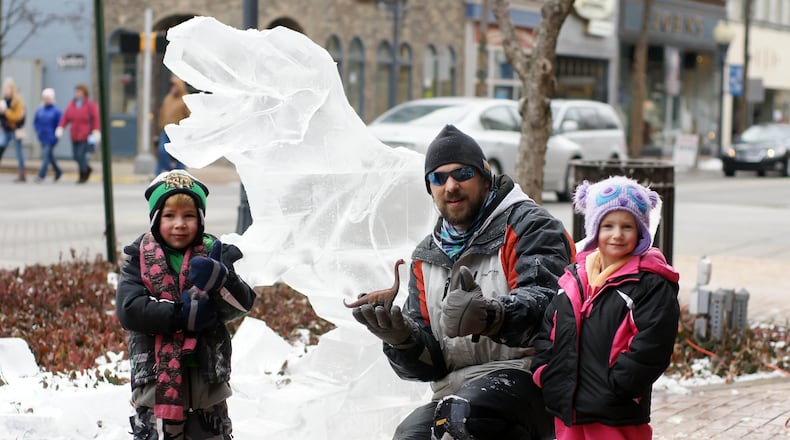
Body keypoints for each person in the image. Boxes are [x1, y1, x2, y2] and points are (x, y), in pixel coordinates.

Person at [351, 124, 574, 440]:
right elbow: (434, 366)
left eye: (462, 174)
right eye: (438, 178)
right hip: (455, 390)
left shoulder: (531, 226)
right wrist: (401, 338)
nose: (451, 186)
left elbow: (550, 306)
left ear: (485, 177)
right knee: (410, 435)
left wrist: (493, 316)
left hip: (531, 382)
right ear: (430, 189)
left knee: (464, 418)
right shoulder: (426, 255)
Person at [530, 176, 680, 440]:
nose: (617, 234)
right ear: (594, 229)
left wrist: (621, 386)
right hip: (568, 408)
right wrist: (545, 373)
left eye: (627, 226)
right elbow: (548, 330)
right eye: (608, 225)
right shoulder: (574, 278)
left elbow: (653, 345)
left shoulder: (649, 282)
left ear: (641, 232)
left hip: (615, 412)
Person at [116, 169, 257, 440]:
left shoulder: (215, 254)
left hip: (207, 391)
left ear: (201, 220)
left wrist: (222, 280)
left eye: (189, 216)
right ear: (156, 220)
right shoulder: (138, 259)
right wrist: (182, 315)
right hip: (156, 390)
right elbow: (130, 310)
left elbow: (242, 303)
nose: (179, 224)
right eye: (169, 216)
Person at [56, 83, 100, 183]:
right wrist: (60, 127)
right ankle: (87, 169)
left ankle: (83, 175)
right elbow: (66, 117)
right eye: (76, 92)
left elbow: (96, 118)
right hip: (74, 135)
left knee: (81, 155)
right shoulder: (72, 104)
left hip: (86, 135)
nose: (77, 94)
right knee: (75, 156)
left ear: (84, 93)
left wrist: (96, 130)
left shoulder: (90, 104)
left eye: (79, 92)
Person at [156, 75, 190, 174]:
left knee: (180, 154)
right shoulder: (168, 98)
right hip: (166, 131)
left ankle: (180, 173)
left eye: (175, 86)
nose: (172, 88)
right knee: (162, 151)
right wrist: (159, 129)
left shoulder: (185, 99)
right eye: (171, 86)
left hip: (179, 132)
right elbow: (162, 113)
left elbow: (190, 116)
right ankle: (168, 171)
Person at [33, 88, 63, 182]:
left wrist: (57, 134)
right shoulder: (40, 110)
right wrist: (38, 131)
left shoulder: (56, 111)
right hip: (42, 136)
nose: (47, 99)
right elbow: (36, 122)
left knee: (45, 156)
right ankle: (58, 172)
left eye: (48, 97)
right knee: (50, 157)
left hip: (51, 137)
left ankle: (41, 175)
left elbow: (60, 123)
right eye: (45, 97)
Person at [0, 78, 27, 182]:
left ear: (12, 89)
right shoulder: (3, 101)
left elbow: (17, 116)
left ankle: (22, 173)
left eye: (8, 88)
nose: (6, 91)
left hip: (15, 129)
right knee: (0, 147)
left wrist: (6, 111)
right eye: (5, 89)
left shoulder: (17, 102)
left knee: (18, 151)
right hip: (6, 129)